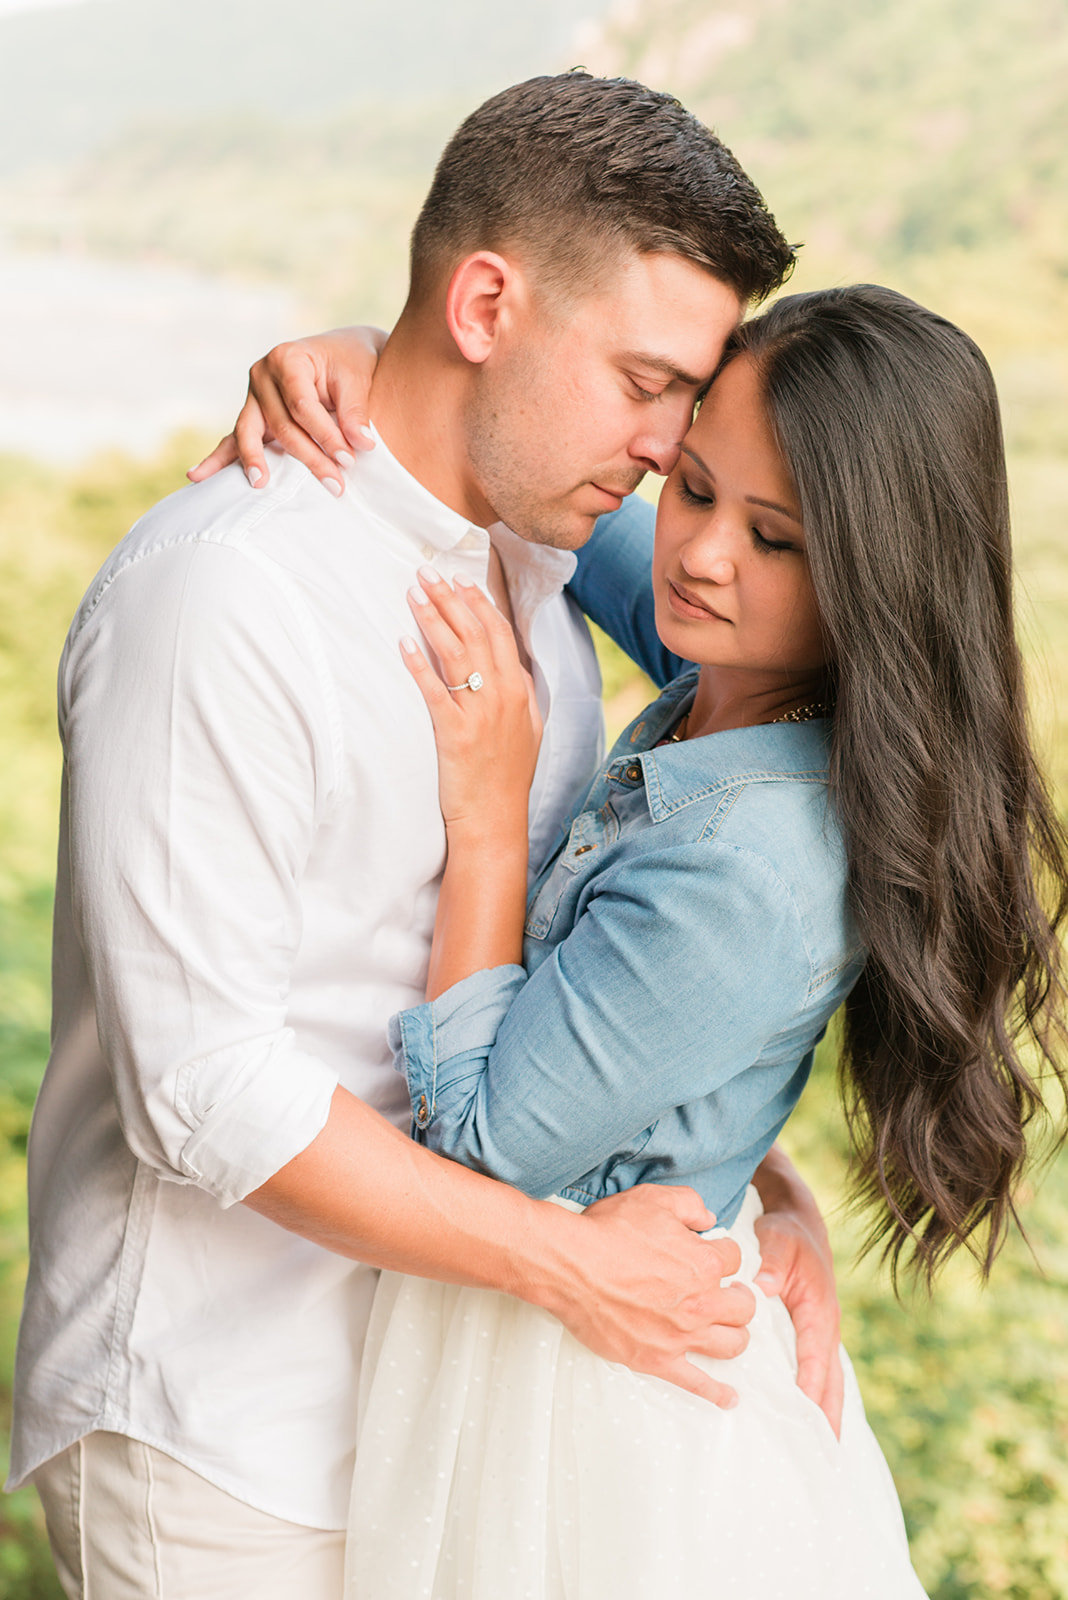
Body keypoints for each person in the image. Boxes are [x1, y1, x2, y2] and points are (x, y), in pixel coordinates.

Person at [9, 74, 846, 1600]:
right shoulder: (226, 596)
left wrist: (755, 1190)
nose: (672, 454)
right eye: (647, 384)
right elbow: (200, 1088)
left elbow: (657, 927)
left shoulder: (538, 554)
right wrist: (571, 1267)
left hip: (443, 1418)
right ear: (482, 302)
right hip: (226, 1438)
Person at [217, 287, 1068, 1597]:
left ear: (877, 578)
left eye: (775, 538)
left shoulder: (752, 859)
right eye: (693, 486)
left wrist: (489, 820)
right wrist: (362, 367)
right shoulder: (732, 670)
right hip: (556, 1332)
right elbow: (563, 492)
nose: (704, 555)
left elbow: (485, 1140)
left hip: (595, 1410)